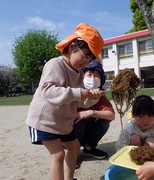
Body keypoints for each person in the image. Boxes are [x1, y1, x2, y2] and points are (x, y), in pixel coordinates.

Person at [26, 22, 104, 180]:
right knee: (58, 154)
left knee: (74, 147)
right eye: (86, 55)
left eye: (90, 59)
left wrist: (91, 99)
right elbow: (47, 91)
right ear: (72, 47)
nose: (87, 62)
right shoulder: (55, 64)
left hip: (63, 124)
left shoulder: (80, 74)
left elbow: (79, 102)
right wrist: (80, 92)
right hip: (44, 122)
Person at [73, 60, 115, 160]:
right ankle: (73, 153)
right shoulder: (74, 92)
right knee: (80, 123)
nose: (93, 78)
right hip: (70, 132)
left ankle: (89, 148)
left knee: (104, 122)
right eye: (89, 74)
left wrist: (90, 113)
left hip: (88, 128)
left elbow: (111, 115)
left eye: (97, 75)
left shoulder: (100, 96)